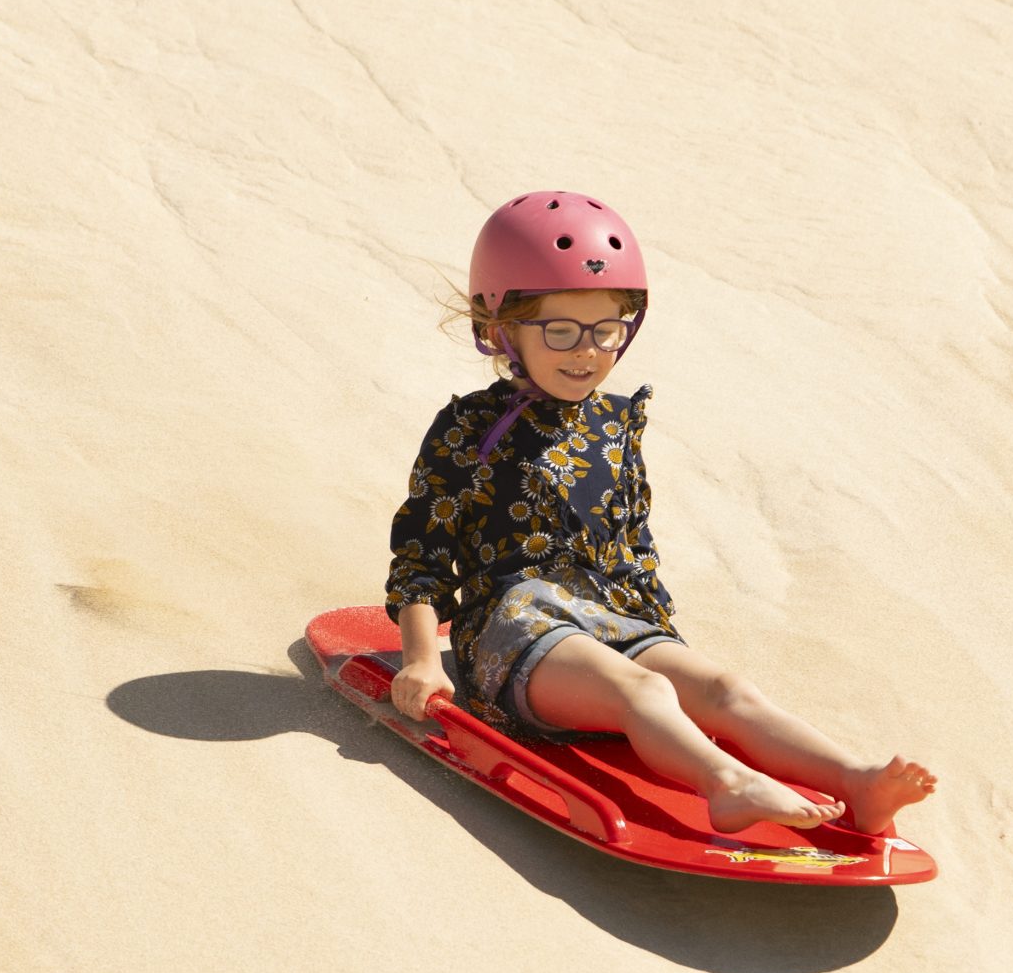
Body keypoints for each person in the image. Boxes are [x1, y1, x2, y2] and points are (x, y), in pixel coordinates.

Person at [383, 190, 936, 837]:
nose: (586, 351)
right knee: (643, 694)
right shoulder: (468, 430)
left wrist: (665, 647)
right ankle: (727, 783)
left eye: (607, 330)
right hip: (512, 633)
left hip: (610, 616)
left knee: (725, 689)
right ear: (501, 325)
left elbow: (632, 549)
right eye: (560, 330)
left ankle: (856, 781)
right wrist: (422, 659)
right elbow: (421, 558)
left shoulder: (615, 426)